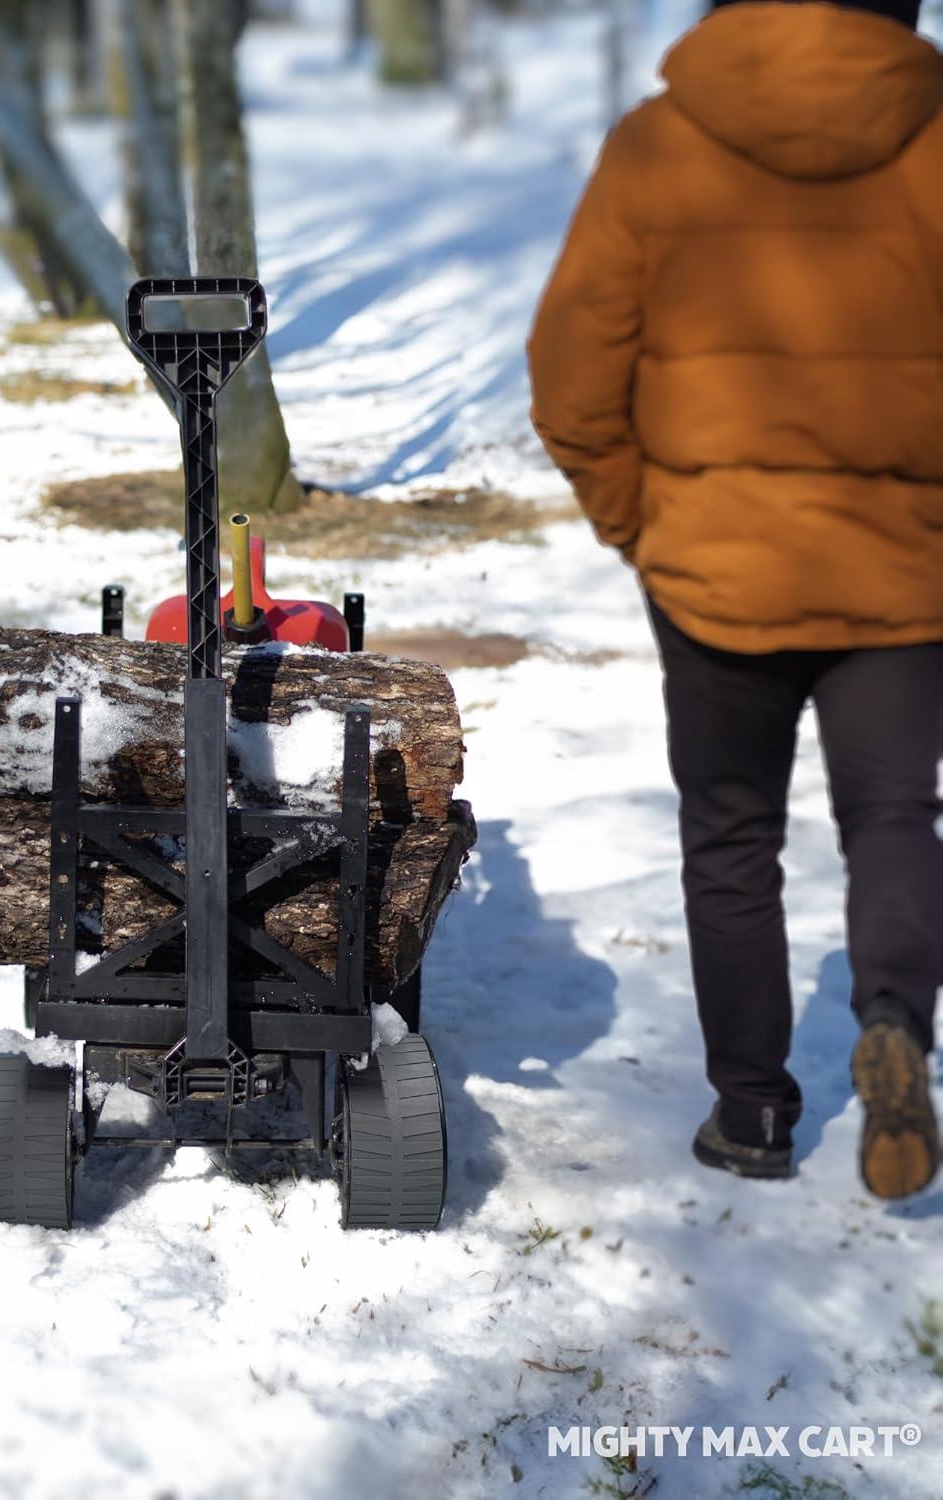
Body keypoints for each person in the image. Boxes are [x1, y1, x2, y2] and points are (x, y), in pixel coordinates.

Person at [527, 0, 943, 1198]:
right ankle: (899, 1025)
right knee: (893, 818)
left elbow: (571, 372)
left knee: (730, 836)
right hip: (901, 569)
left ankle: (752, 1112)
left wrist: (642, 524)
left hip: (713, 564)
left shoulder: (659, 144)